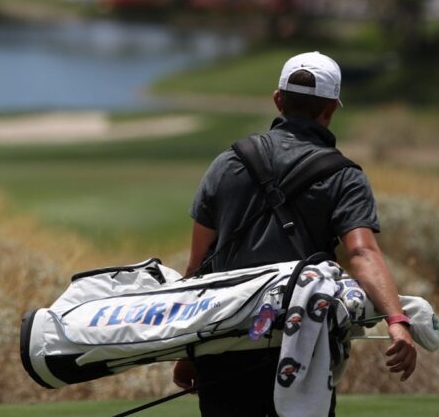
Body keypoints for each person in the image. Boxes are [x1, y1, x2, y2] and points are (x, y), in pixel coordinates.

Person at [172, 51, 417, 416]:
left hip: (223, 345)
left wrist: (190, 350)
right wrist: (397, 322)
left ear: (278, 100)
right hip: (301, 351)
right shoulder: (345, 176)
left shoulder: (227, 163)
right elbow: (363, 254)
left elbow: (197, 270)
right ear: (332, 108)